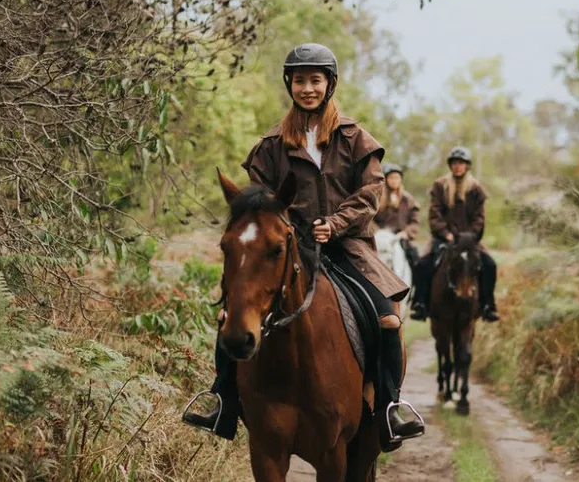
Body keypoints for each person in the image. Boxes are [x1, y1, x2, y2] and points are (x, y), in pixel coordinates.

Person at [182, 43, 424, 446]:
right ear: (289, 84)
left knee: (387, 318)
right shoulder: (271, 145)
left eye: (315, 80)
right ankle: (222, 398)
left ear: (330, 84)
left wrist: (335, 224)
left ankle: (389, 407)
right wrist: (281, 229)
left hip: (348, 248)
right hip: (287, 248)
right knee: (232, 313)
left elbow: (370, 193)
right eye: (299, 81)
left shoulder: (355, 138)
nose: (307, 88)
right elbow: (259, 201)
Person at [409, 146, 500, 323]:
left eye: (461, 163)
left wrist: (470, 237)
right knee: (423, 264)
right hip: (444, 238)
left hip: (470, 240)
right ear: (451, 165)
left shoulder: (476, 189)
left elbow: (480, 217)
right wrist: (447, 234)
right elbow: (434, 215)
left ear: (467, 166)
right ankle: (420, 303)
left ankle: (488, 305)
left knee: (490, 265)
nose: (458, 166)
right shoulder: (440, 186)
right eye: (455, 163)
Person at [373, 163, 421, 272]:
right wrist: (378, 232)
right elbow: (370, 219)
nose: (394, 181)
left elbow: (415, 222)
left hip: (400, 238)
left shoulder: (408, 199)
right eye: (391, 178)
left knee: (417, 261)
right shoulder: (376, 198)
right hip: (380, 239)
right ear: (386, 179)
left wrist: (406, 233)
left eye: (397, 178)